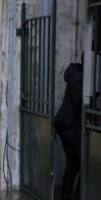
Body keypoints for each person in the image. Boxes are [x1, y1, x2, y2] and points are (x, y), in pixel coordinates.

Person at [54, 58, 83, 200]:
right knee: (81, 162)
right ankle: (74, 195)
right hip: (69, 125)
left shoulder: (78, 75)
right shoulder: (78, 76)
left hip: (68, 124)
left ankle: (68, 195)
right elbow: (80, 101)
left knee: (75, 162)